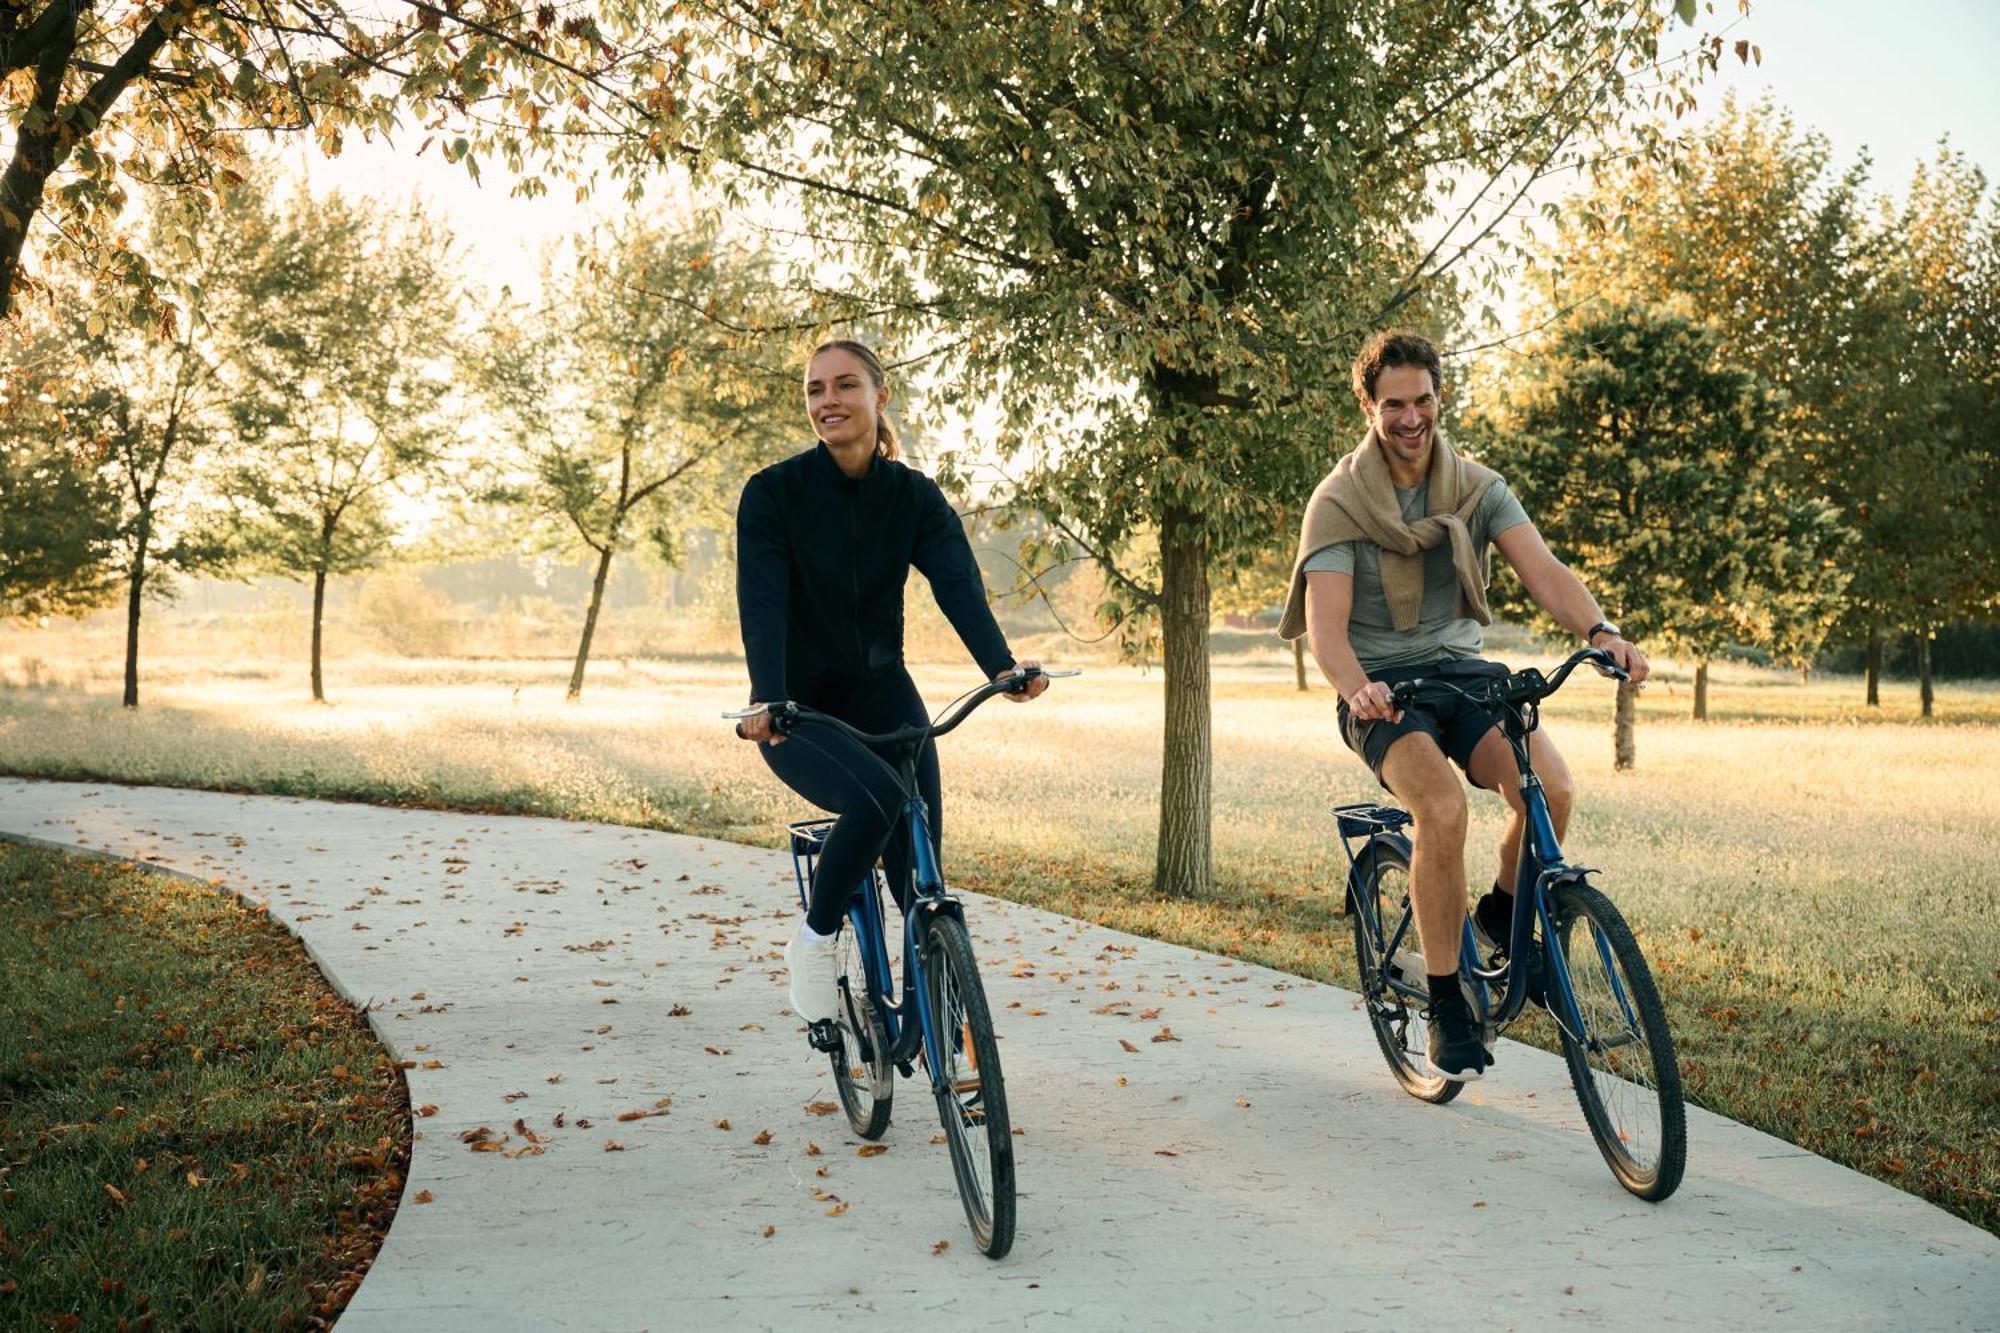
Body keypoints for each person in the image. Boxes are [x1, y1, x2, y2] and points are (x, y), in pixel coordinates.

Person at [1278, 330, 1648, 1082]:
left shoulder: (1478, 488)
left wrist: (1600, 629)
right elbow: (1327, 628)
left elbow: (1542, 569)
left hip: (1463, 674)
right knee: (1443, 809)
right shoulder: (1340, 503)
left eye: (1422, 401)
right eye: (1393, 405)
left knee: (1553, 788)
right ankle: (1448, 999)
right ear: (1369, 407)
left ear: (1439, 399)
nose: (1410, 418)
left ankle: (1500, 920)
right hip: (1382, 690)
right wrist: (1359, 687)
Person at [734, 338, 1047, 1034]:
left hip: (885, 697)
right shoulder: (773, 495)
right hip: (800, 709)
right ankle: (814, 942)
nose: (828, 401)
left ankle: (924, 1018)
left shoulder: (913, 497)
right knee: (879, 797)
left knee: (921, 879)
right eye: (816, 389)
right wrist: (769, 698)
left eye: (845, 385)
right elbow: (762, 604)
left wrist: (1001, 667)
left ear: (881, 397)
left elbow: (958, 585)